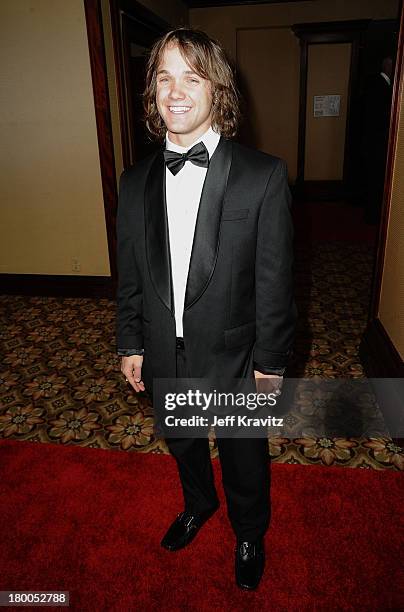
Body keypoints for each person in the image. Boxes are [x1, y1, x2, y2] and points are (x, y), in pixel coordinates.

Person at [116, 28, 297, 590]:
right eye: (164, 76)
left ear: (217, 89)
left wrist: (270, 361)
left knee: (244, 457)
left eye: (192, 77)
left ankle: (249, 530)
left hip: (237, 354)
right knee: (184, 442)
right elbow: (129, 275)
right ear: (152, 92)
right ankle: (199, 504)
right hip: (163, 348)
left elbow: (275, 282)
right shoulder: (133, 180)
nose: (176, 90)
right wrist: (130, 341)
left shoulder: (261, 176)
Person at [361, 55, 393, 224]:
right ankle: (373, 216)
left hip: (374, 143)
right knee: (375, 181)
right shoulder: (379, 86)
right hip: (376, 144)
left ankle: (373, 214)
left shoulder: (379, 85)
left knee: (375, 181)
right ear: (387, 66)